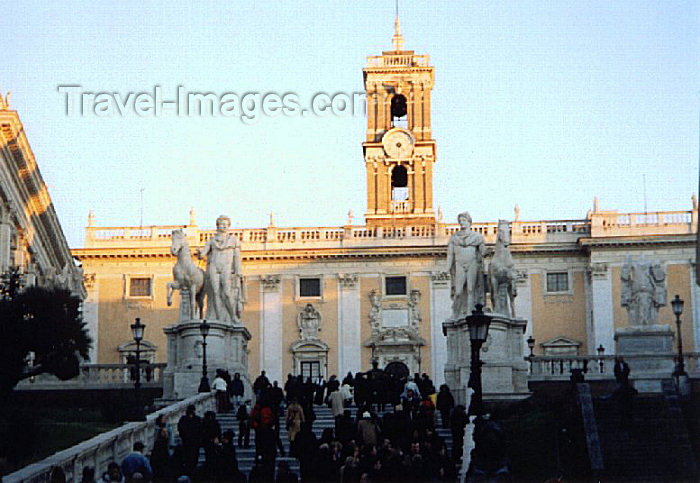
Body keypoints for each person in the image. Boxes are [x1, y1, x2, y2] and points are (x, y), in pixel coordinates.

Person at [196, 214, 243, 322]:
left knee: (226, 292)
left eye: (225, 224)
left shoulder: (233, 240)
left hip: (226, 266)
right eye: (221, 224)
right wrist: (200, 254)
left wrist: (238, 271)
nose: (223, 226)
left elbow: (236, 257)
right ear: (217, 226)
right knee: (215, 292)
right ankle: (218, 318)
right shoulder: (212, 241)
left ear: (228, 226)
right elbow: (203, 254)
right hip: (213, 266)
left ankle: (232, 316)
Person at [446, 211, 486, 319]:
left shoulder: (477, 237)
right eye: (460, 221)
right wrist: (447, 268)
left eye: (464, 220)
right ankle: (455, 312)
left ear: (469, 222)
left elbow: (483, 251)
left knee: (471, 289)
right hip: (459, 264)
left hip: (472, 263)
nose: (461, 223)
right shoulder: (454, 238)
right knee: (458, 291)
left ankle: (469, 312)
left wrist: (485, 251)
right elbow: (450, 254)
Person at [177, 405, 202, 476]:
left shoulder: (197, 419)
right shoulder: (184, 419)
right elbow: (181, 429)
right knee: (187, 458)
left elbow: (200, 430)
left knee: (194, 458)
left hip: (195, 442)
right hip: (187, 442)